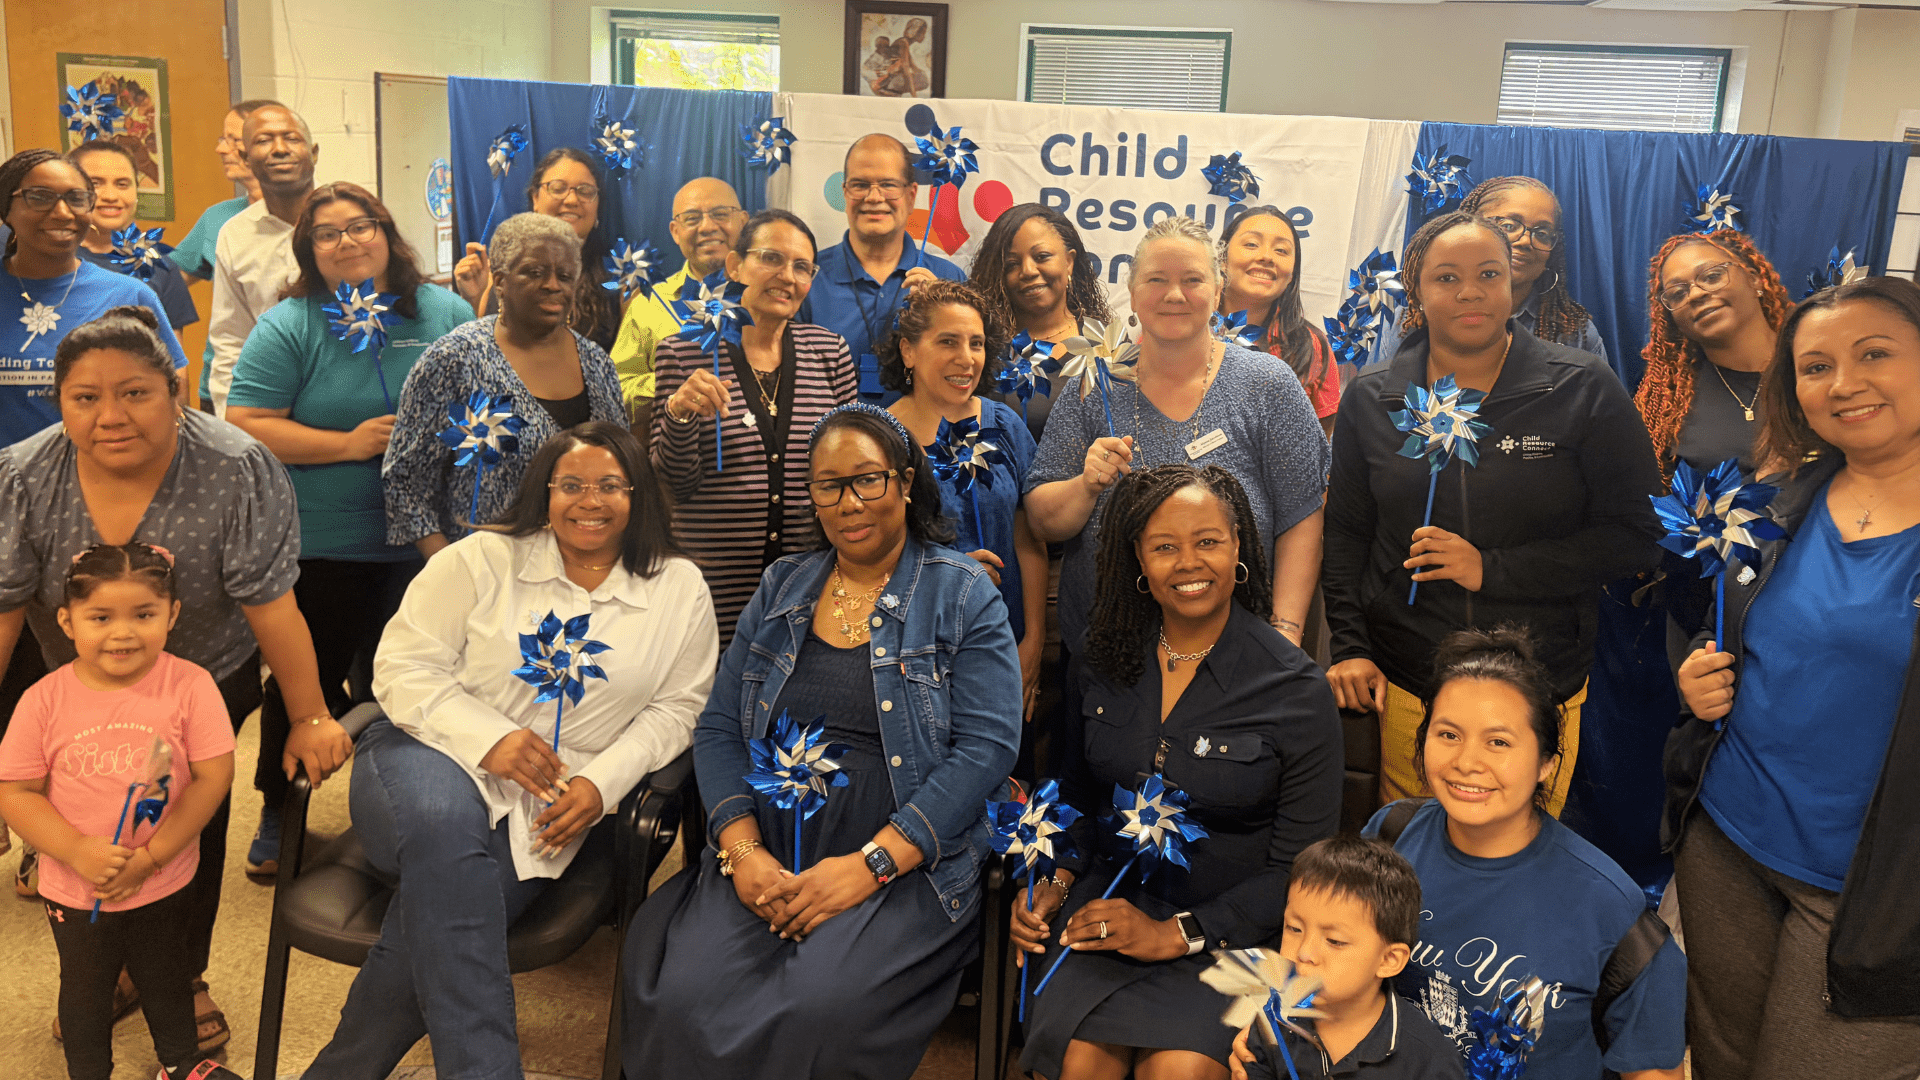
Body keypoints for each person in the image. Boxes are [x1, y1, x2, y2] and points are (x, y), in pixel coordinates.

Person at [303, 422, 717, 1079]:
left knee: (437, 923)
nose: (591, 500)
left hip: (550, 805)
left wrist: (601, 784)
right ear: (543, 492)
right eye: (572, 485)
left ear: (639, 495)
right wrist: (489, 738)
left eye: (611, 485)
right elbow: (401, 668)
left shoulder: (678, 588)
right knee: (445, 831)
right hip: (425, 753)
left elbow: (679, 709)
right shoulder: (478, 561)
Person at [622, 402, 1021, 1079]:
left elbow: (987, 749)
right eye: (828, 485)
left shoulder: (961, 594)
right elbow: (719, 728)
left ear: (903, 479)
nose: (849, 502)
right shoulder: (784, 584)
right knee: (686, 997)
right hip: (770, 850)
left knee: (815, 1007)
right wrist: (743, 852)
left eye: (867, 479)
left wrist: (870, 864)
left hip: (904, 862)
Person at [0, 307, 348, 1053]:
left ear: (177, 389)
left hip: (201, 682)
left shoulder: (235, 465)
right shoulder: (25, 474)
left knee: (182, 825)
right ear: (58, 401)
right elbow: (1, 611)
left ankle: (180, 971)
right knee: (84, 819)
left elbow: (271, 606)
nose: (110, 415)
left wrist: (313, 714)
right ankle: (104, 964)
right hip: (73, 685)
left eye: (135, 393)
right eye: (85, 398)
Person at [1323, 210, 1662, 815]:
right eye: (1446, 277)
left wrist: (1493, 569)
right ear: (1418, 291)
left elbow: (1636, 537)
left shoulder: (1581, 386)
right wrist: (1350, 644)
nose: (1470, 291)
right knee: (1410, 858)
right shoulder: (1373, 397)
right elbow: (1347, 532)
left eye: (1489, 274)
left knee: (1515, 860)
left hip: (1539, 681)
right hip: (1409, 678)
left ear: (1514, 284)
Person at [1667, 277, 1920, 1077]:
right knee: (1722, 1059)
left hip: (1873, 894)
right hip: (1729, 846)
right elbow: (1750, 639)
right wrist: (1703, 679)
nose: (1844, 384)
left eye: (1873, 354)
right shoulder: (1777, 505)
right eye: (1815, 367)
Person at [1015, 464, 1342, 1080]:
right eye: (1165, 546)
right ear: (1137, 558)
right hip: (1110, 909)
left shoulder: (1294, 689)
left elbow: (1303, 872)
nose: (1189, 563)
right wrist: (1052, 881)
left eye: (1208, 541)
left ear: (1240, 544)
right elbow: (1076, 799)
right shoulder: (1102, 658)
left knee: (1180, 1072)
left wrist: (1179, 933)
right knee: (1079, 1064)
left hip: (1238, 934)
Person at [226, 181, 473, 876]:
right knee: (310, 679)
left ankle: (399, 813)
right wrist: (349, 444)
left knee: (413, 683)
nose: (347, 241)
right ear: (310, 251)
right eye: (327, 234)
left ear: (387, 233)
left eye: (360, 225)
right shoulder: (293, 323)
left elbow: (480, 394)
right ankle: (280, 806)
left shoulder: (443, 310)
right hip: (330, 542)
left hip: (426, 541)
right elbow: (246, 422)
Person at [1567, 230, 1795, 887]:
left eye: (1712, 275)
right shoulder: (1672, 393)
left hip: (1800, 609)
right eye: (1677, 291)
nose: (1698, 293)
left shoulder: (1817, 368)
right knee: (1664, 773)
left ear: (1753, 274)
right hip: (1697, 616)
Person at [1364, 627, 1687, 1080]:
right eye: (1448, 734)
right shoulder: (1391, 835)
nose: (1467, 761)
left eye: (1498, 742)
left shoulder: (1613, 912)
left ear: (1546, 762)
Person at [1027, 216, 1327, 672]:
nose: (1174, 295)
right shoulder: (1095, 387)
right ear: (1132, 290)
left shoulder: (1267, 384)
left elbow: (1303, 515)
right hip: (1106, 664)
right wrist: (1085, 486)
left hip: (1236, 659)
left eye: (1192, 280)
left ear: (1218, 288)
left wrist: (1284, 632)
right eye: (1156, 280)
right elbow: (1043, 520)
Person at [0, 543, 242, 1080]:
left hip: (164, 879)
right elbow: (16, 791)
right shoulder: (42, 700)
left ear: (172, 614)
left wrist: (151, 858)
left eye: (144, 614)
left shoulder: (191, 686)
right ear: (67, 620)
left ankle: (181, 1063)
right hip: (73, 886)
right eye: (100, 617)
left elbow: (213, 776)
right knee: (85, 990)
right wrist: (75, 850)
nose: (123, 633)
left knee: (167, 975)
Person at [650, 209, 857, 643]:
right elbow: (674, 482)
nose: (787, 276)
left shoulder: (829, 352)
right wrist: (679, 413)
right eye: (772, 259)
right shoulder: (685, 352)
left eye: (802, 267)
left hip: (808, 588)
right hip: (714, 590)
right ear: (734, 266)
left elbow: (847, 471)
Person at [384, 212, 624, 559]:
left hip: (584, 566)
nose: (553, 285)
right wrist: (449, 572)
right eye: (535, 272)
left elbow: (618, 469)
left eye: (565, 275)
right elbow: (405, 482)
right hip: (486, 573)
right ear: (499, 280)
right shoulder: (456, 359)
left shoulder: (598, 363)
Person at [882, 279, 1046, 714]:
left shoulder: (1006, 424)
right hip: (909, 649)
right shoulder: (876, 438)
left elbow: (1029, 538)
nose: (966, 358)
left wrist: (1032, 641)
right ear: (908, 351)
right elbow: (862, 553)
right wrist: (950, 573)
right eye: (948, 342)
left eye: (976, 343)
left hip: (1000, 640)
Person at [0, 149, 189, 447]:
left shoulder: (129, 295)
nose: (62, 212)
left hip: (102, 479)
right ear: (6, 207)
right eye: (39, 197)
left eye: (76, 198)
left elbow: (172, 396)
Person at [1233, 837, 1463, 1080]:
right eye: (1294, 929)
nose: (1304, 953)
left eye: (1334, 941)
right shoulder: (1271, 1022)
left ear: (1389, 960)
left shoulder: (1430, 1061)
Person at [1370, 177, 1607, 368]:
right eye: (1508, 226)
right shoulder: (1414, 317)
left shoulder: (1576, 332)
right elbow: (1378, 409)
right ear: (1470, 227)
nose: (1525, 240)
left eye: (1542, 232)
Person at [801, 134, 967, 399]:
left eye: (888, 185)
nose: (874, 197)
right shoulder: (807, 276)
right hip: (829, 437)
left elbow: (966, 374)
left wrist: (942, 315)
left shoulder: (949, 279)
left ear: (911, 196)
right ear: (845, 193)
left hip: (922, 438)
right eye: (860, 185)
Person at [206, 102, 318, 416]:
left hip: (351, 397)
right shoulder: (235, 234)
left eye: (292, 139)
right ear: (245, 159)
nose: (279, 149)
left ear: (315, 152)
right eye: (264, 141)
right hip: (270, 402)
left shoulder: (349, 223)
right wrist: (231, 426)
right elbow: (230, 340)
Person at [452, 147, 621, 353]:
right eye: (558, 188)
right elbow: (481, 358)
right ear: (535, 199)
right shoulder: (498, 276)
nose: (571, 200)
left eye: (585, 191)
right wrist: (474, 299)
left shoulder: (619, 282)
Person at [967, 202, 1111, 439]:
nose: (1028, 271)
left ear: (1069, 262)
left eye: (1041, 256)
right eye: (1011, 264)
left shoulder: (1105, 344)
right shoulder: (980, 344)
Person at [608, 176, 746, 416]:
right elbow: (612, 393)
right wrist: (672, 385)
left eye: (721, 214)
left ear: (743, 222)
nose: (707, 227)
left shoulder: (765, 296)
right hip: (676, 446)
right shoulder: (648, 305)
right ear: (675, 231)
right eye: (692, 219)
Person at [170, 99, 275, 413]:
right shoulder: (218, 219)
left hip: (289, 382)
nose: (221, 149)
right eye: (222, 139)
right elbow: (164, 286)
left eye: (233, 140)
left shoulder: (318, 216)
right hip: (224, 384)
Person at [1218, 205, 1339, 437]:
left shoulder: (1311, 345)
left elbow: (1318, 448)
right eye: (1251, 244)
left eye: (1281, 250)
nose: (1266, 257)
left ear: (1292, 273)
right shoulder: (1184, 328)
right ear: (1222, 259)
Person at [69, 141, 198, 336]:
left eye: (122, 184)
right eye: (95, 184)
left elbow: (172, 359)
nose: (111, 196)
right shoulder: (47, 258)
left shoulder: (160, 264)